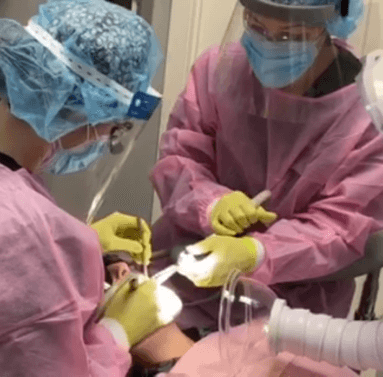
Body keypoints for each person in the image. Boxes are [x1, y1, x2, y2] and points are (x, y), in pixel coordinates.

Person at [149, 0, 383, 332]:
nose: (268, 45)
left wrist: (256, 252)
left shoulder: (367, 110)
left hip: (293, 311)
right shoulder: (217, 71)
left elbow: (344, 225)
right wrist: (211, 202)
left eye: (289, 36)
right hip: (187, 271)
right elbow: (180, 159)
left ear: (332, 24)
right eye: (256, 25)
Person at [0, 0, 182, 375]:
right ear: (87, 109)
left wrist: (80, 245)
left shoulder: (17, 192)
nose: (106, 138)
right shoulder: (23, 231)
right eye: (114, 126)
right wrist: (119, 331)